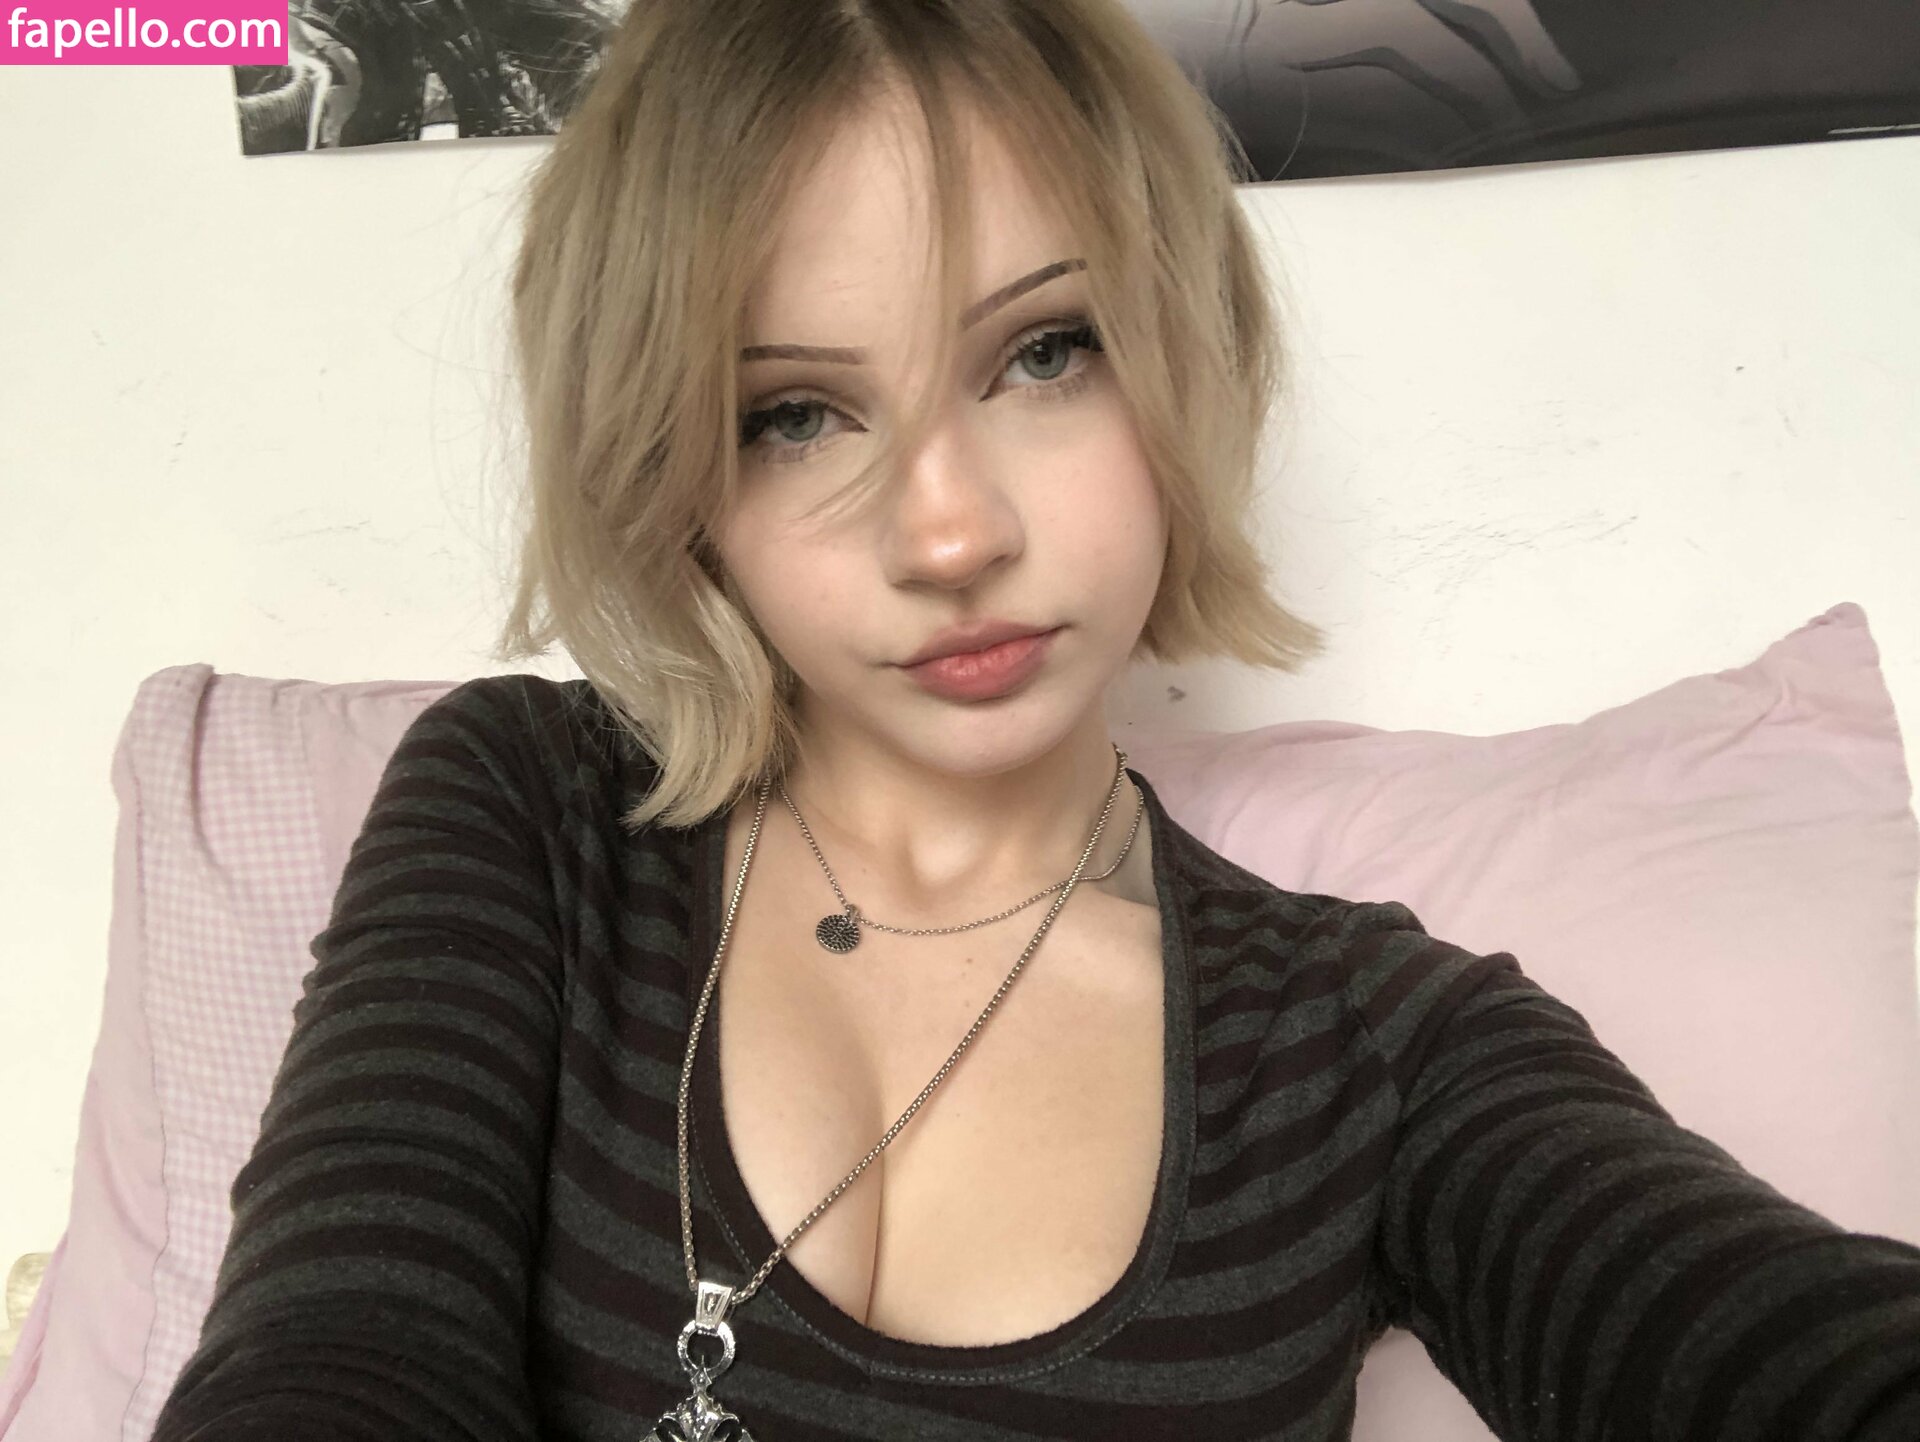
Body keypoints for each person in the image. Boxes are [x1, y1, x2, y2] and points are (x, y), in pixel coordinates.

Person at [151, 2, 1920, 1439]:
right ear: (677, 473)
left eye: (1045, 351)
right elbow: (337, 1355)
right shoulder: (533, 816)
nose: (951, 534)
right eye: (795, 414)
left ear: (1180, 352)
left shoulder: (1368, 1044)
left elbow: (1766, 1342)